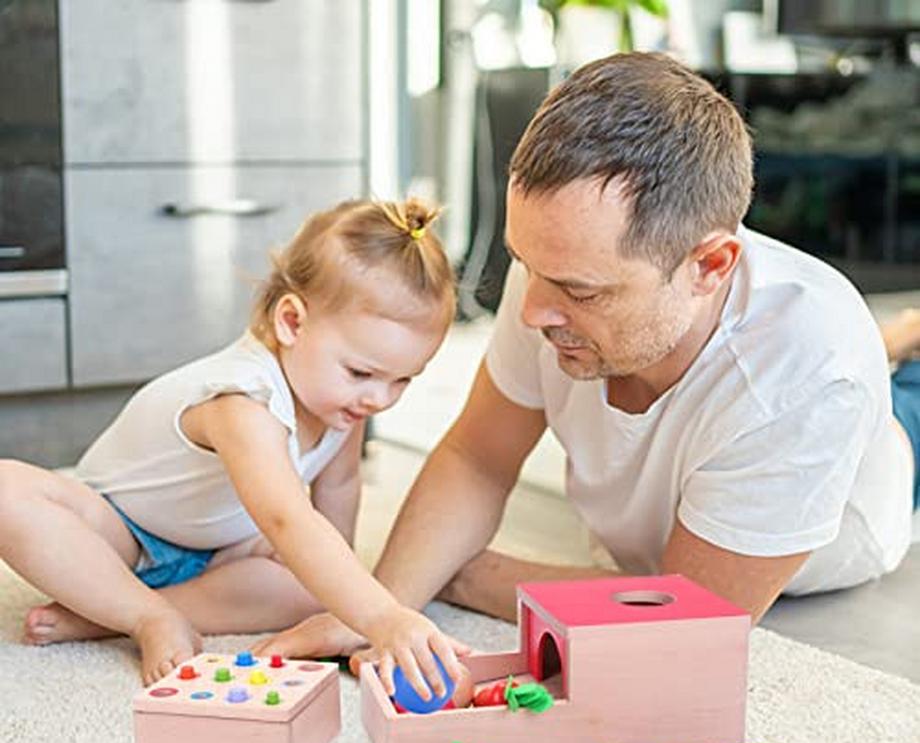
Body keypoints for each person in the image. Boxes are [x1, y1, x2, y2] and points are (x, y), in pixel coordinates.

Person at [255, 53, 920, 665]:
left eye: (580, 291)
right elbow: (478, 458)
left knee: (901, 398)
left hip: (867, 491)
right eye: (527, 267)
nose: (531, 311)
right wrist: (382, 607)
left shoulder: (811, 370)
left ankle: (899, 349)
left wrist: (466, 573)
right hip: (726, 433)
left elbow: (681, 624)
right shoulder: (553, 274)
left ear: (708, 267)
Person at [0, 198, 469, 693]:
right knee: (7, 491)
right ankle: (145, 615)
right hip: (120, 535)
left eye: (403, 381)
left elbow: (340, 489)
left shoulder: (343, 404)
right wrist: (383, 617)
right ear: (292, 322)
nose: (379, 398)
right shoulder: (244, 398)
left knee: (314, 588)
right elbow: (287, 518)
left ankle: (102, 613)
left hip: (219, 549)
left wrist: (344, 601)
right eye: (362, 372)